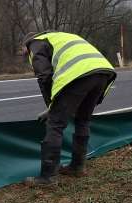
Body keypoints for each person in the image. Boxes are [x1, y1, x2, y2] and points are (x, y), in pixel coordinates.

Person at [21, 31, 116, 186]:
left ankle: (48, 177)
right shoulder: (58, 36)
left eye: (25, 54)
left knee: (55, 124)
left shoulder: (34, 43)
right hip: (103, 71)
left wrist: (51, 108)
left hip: (79, 73)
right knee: (83, 119)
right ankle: (77, 167)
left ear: (25, 46)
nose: (27, 56)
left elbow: (44, 76)